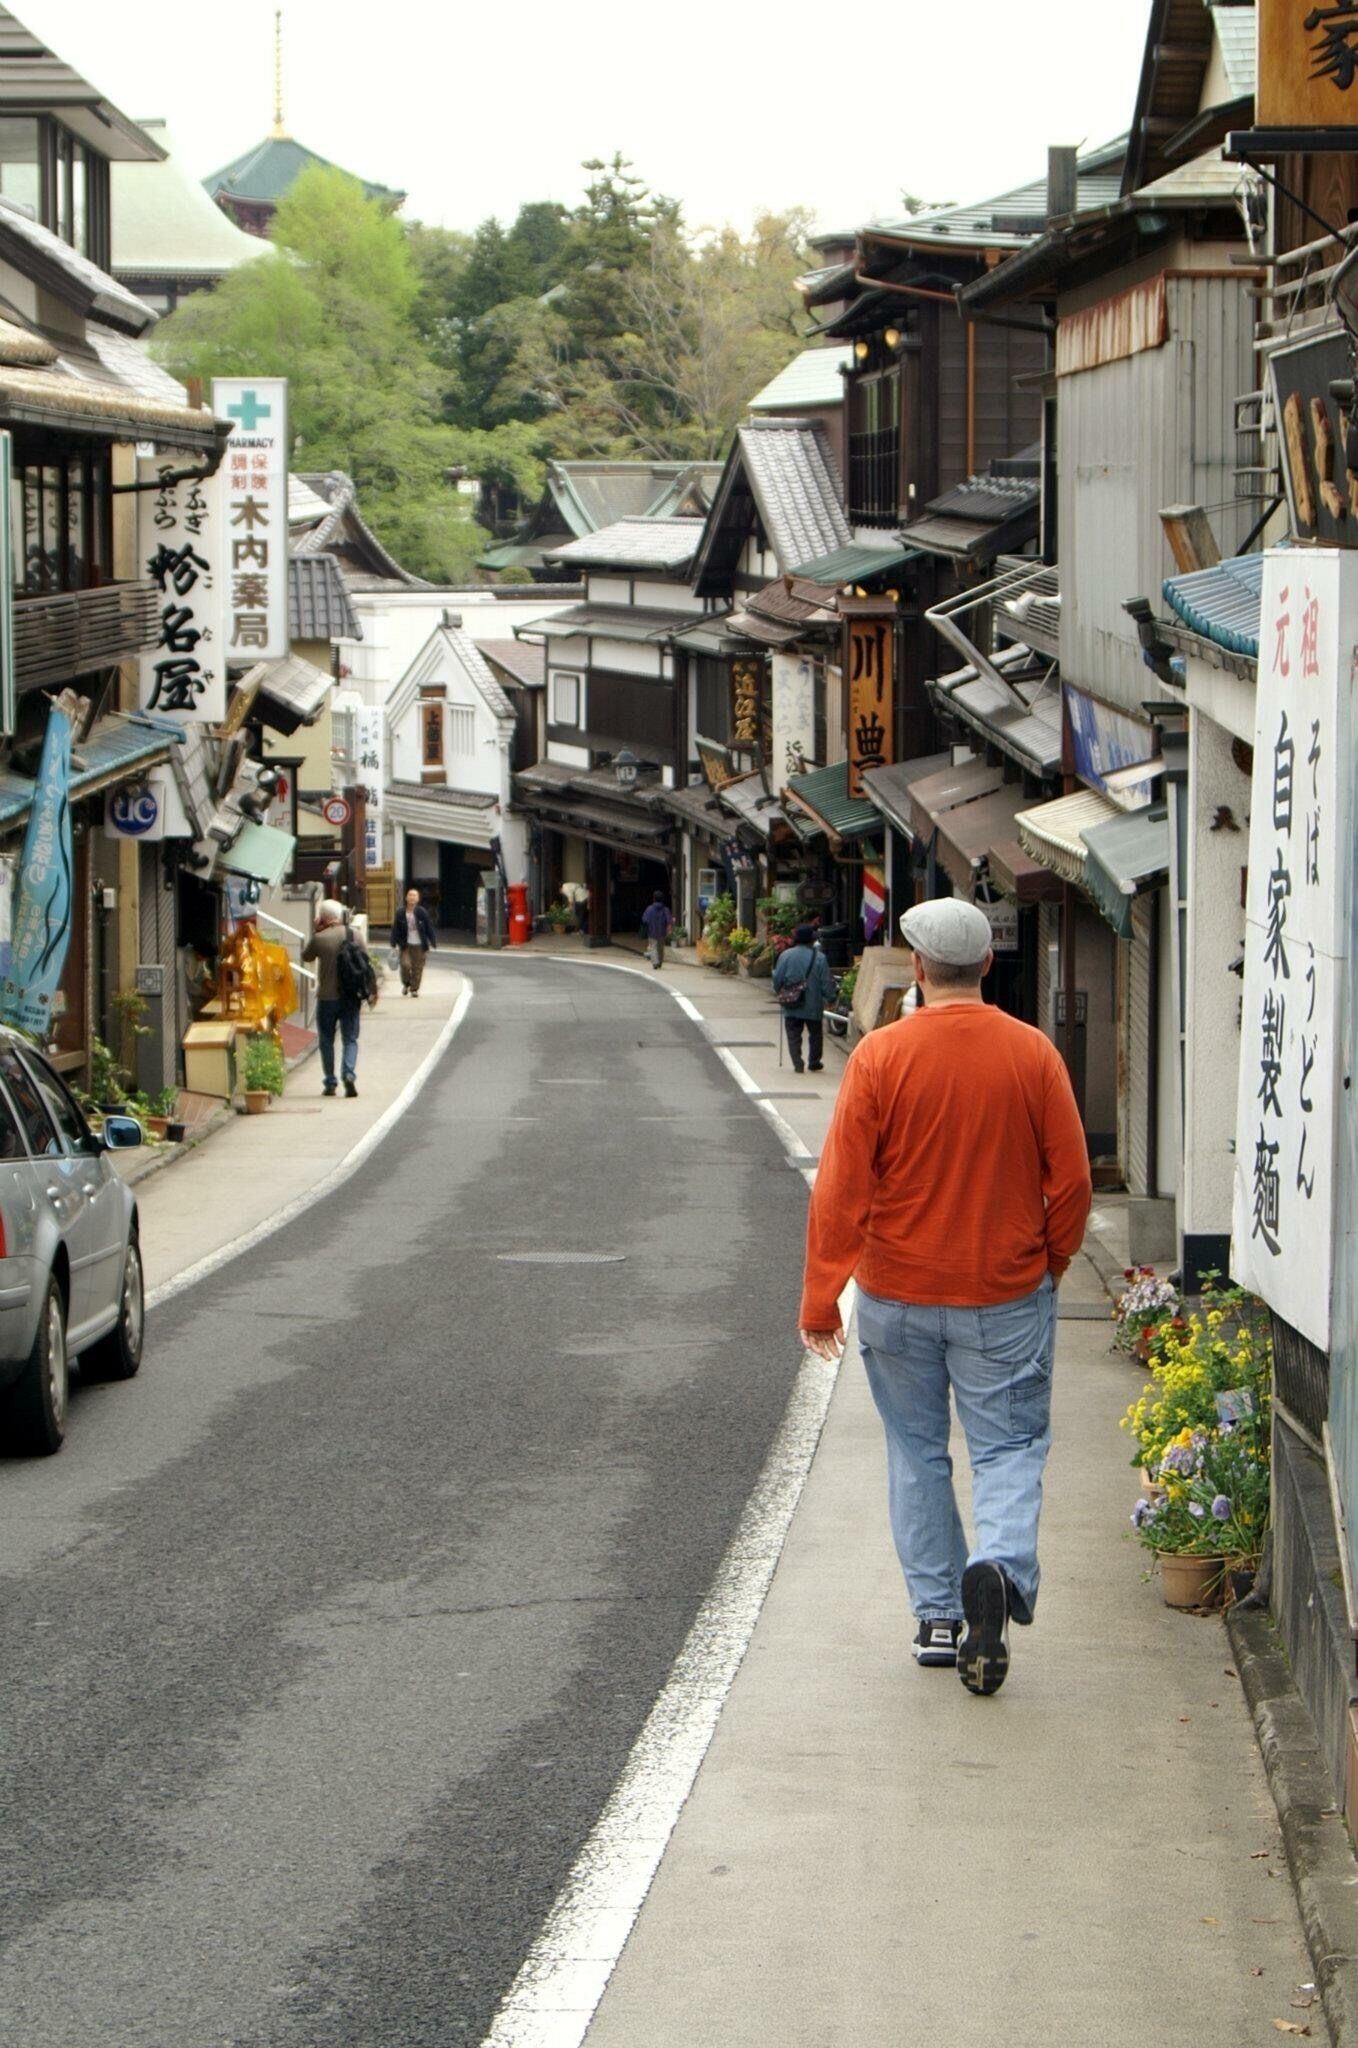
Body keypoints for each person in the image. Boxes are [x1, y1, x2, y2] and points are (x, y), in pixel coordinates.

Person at [798, 899, 1092, 1696]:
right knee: (1006, 1448)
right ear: (988, 966)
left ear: (919, 969)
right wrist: (1052, 1260)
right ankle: (994, 1566)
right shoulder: (1032, 1056)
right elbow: (1071, 1181)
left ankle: (936, 1617)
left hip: (896, 1290)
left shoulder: (881, 1058)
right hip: (1002, 1290)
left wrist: (823, 1297)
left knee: (915, 1451)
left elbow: (843, 1189)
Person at [303, 898, 370, 1099]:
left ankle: (330, 1082)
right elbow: (365, 961)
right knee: (350, 1038)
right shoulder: (355, 935)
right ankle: (348, 1074)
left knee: (326, 1040)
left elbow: (306, 956)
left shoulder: (320, 938)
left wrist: (316, 930)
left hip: (327, 997)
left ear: (323, 918)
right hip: (350, 996)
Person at [772, 923, 835, 1073]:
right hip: (813, 1003)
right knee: (815, 1034)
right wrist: (831, 997)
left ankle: (797, 1063)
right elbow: (826, 981)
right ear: (811, 941)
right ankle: (814, 1061)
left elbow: (777, 978)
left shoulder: (785, 956)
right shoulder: (819, 958)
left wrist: (779, 991)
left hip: (791, 1001)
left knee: (793, 1033)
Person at [391, 889, 437, 997]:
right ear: (406, 898)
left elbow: (428, 927)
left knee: (418, 967)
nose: (412, 897)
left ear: (418, 899)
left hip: (419, 944)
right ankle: (406, 983)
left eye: (414, 895)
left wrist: (432, 941)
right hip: (405, 944)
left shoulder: (421, 912)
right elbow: (395, 929)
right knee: (405, 965)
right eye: (410, 895)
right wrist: (393, 943)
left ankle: (414, 988)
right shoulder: (400, 913)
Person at [639, 891, 674, 969]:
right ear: (662, 899)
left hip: (652, 931)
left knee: (653, 947)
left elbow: (644, 919)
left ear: (654, 898)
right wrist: (669, 929)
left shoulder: (649, 908)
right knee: (660, 948)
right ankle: (660, 963)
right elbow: (669, 921)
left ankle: (655, 962)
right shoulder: (665, 909)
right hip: (662, 932)